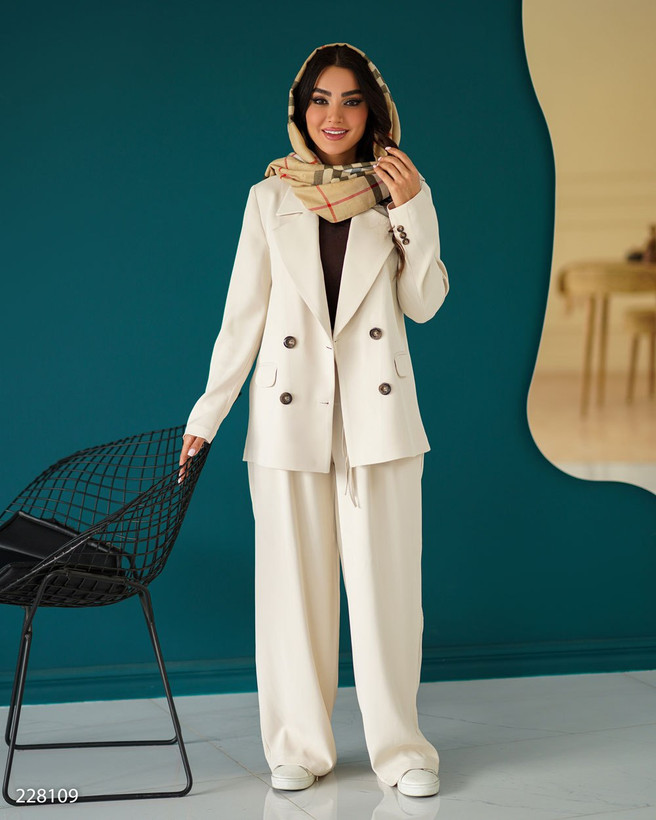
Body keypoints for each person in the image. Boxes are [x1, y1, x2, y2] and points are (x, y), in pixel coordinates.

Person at [178, 42, 450, 798]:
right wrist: (208, 414)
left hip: (379, 419)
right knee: (291, 594)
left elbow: (425, 303)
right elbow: (243, 317)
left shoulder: (399, 192)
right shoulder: (270, 198)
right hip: (287, 416)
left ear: (373, 110)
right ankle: (299, 745)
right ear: (301, 110)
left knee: (388, 594)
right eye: (321, 99)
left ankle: (403, 751)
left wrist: (414, 209)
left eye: (352, 99)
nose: (335, 115)